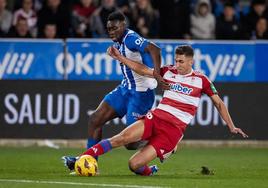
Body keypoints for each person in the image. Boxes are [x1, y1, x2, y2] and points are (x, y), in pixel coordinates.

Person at [63, 45, 248, 176]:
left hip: (174, 130)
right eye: (176, 60)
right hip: (156, 118)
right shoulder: (167, 71)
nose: (177, 64)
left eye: (182, 61)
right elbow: (143, 70)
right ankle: (83, 158)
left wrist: (231, 126)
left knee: (134, 164)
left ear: (191, 61)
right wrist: (121, 58)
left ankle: (152, 168)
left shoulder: (202, 80)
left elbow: (219, 104)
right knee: (121, 138)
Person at [85, 11, 167, 152]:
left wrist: (158, 75)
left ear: (123, 25)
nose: (111, 32)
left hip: (141, 95)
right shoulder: (119, 41)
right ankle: (88, 160)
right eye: (109, 29)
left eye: (115, 28)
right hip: (125, 89)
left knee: (130, 143)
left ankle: (160, 140)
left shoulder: (130, 38)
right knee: (95, 120)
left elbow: (155, 49)